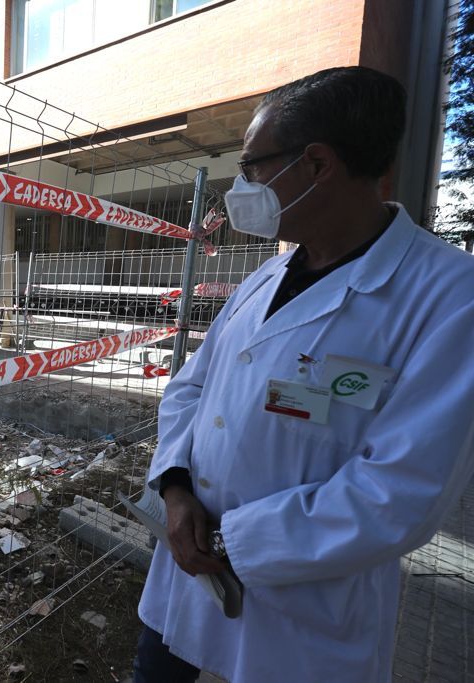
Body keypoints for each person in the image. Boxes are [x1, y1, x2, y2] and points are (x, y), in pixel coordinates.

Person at [133, 66, 474, 682]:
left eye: (252, 166)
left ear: (316, 165)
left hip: (298, 619)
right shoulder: (266, 278)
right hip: (184, 585)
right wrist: (176, 488)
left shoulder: (450, 297)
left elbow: (401, 493)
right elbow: (191, 389)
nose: (244, 184)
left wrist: (233, 541)